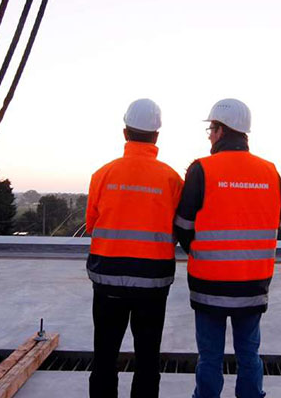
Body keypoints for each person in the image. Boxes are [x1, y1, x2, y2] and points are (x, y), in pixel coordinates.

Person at [174, 98, 281, 398]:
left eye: (211, 129)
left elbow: (182, 225)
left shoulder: (202, 170)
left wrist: (198, 252)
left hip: (209, 285)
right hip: (253, 285)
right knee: (249, 354)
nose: (209, 136)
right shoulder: (270, 173)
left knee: (210, 357)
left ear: (222, 130)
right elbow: (277, 218)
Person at [86, 98, 184, 398]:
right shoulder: (170, 179)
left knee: (104, 354)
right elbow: (178, 230)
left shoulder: (103, 175)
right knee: (147, 357)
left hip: (108, 279)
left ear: (125, 132)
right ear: (157, 135)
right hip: (152, 283)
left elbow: (92, 226)